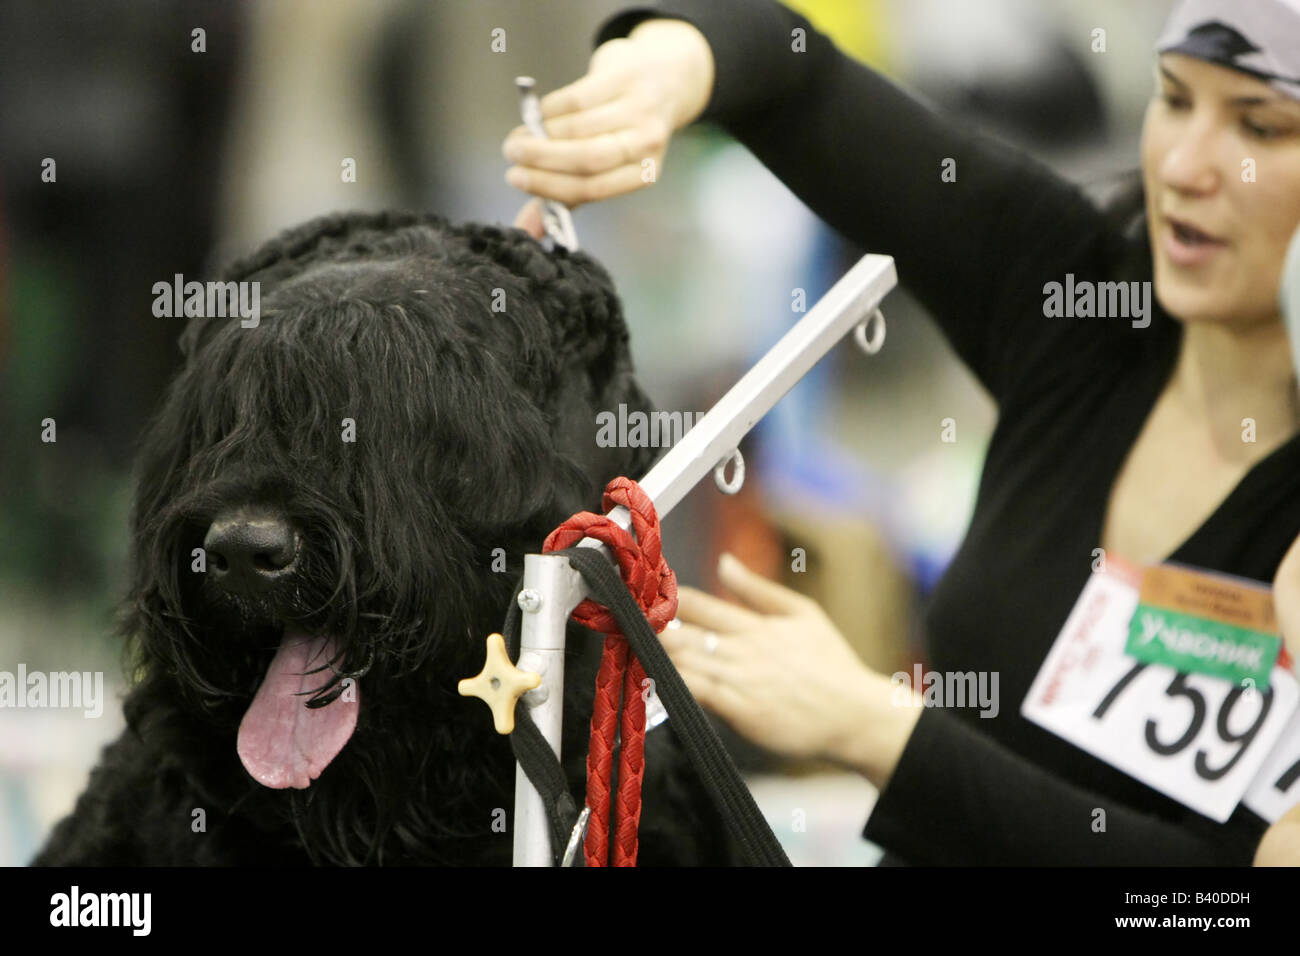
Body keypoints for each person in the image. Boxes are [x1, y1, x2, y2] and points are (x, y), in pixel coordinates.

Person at [503, 0, 1300, 864]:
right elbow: (797, 76)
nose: (1185, 166)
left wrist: (875, 729)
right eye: (1175, 99)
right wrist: (662, 74)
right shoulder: (1080, 299)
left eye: (1260, 128)